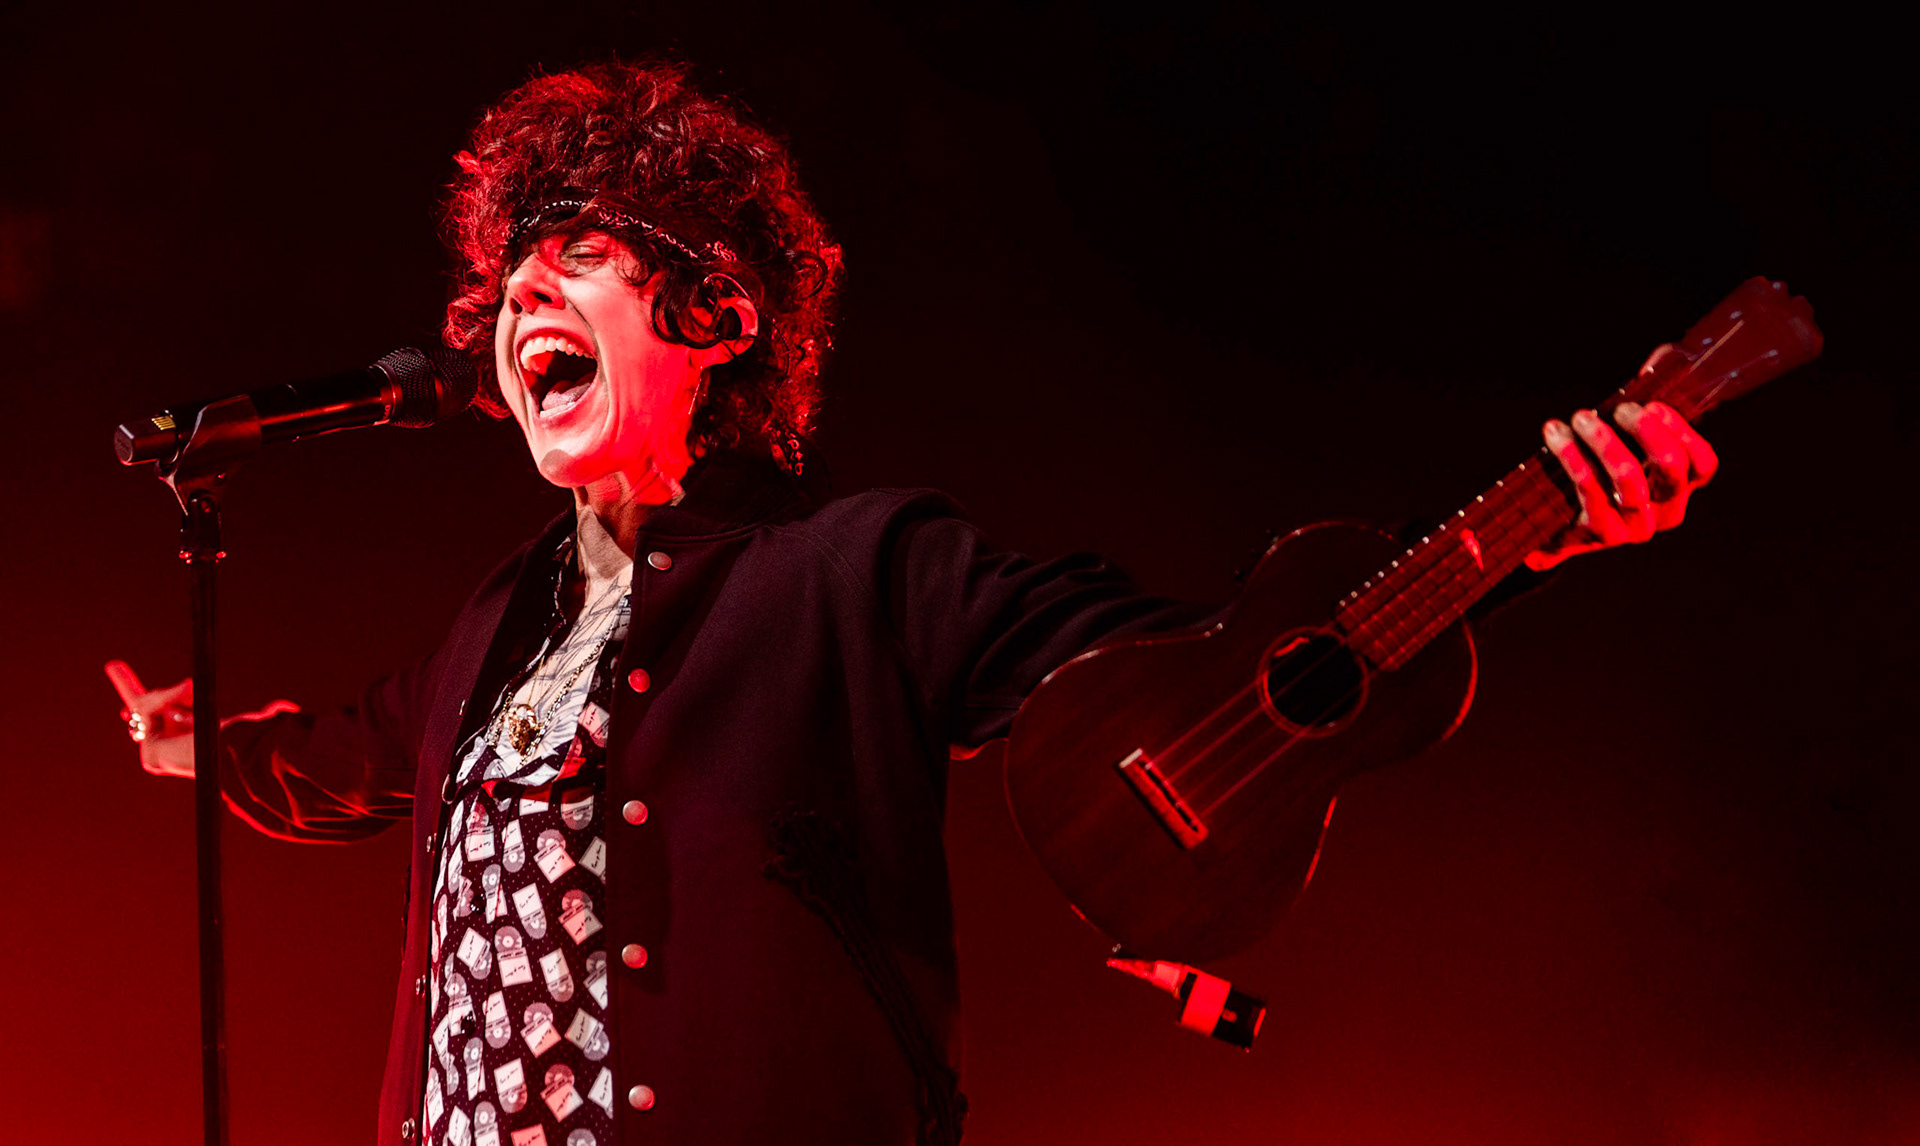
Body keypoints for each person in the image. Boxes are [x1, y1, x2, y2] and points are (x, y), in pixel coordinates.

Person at [116, 60, 1718, 1146]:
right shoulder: (493, 625)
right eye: (513, 274)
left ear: (717, 314)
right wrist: (199, 739)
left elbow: (1193, 669)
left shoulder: (857, 571)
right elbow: (348, 753)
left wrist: (1532, 536)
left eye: (581, 255)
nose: (526, 289)